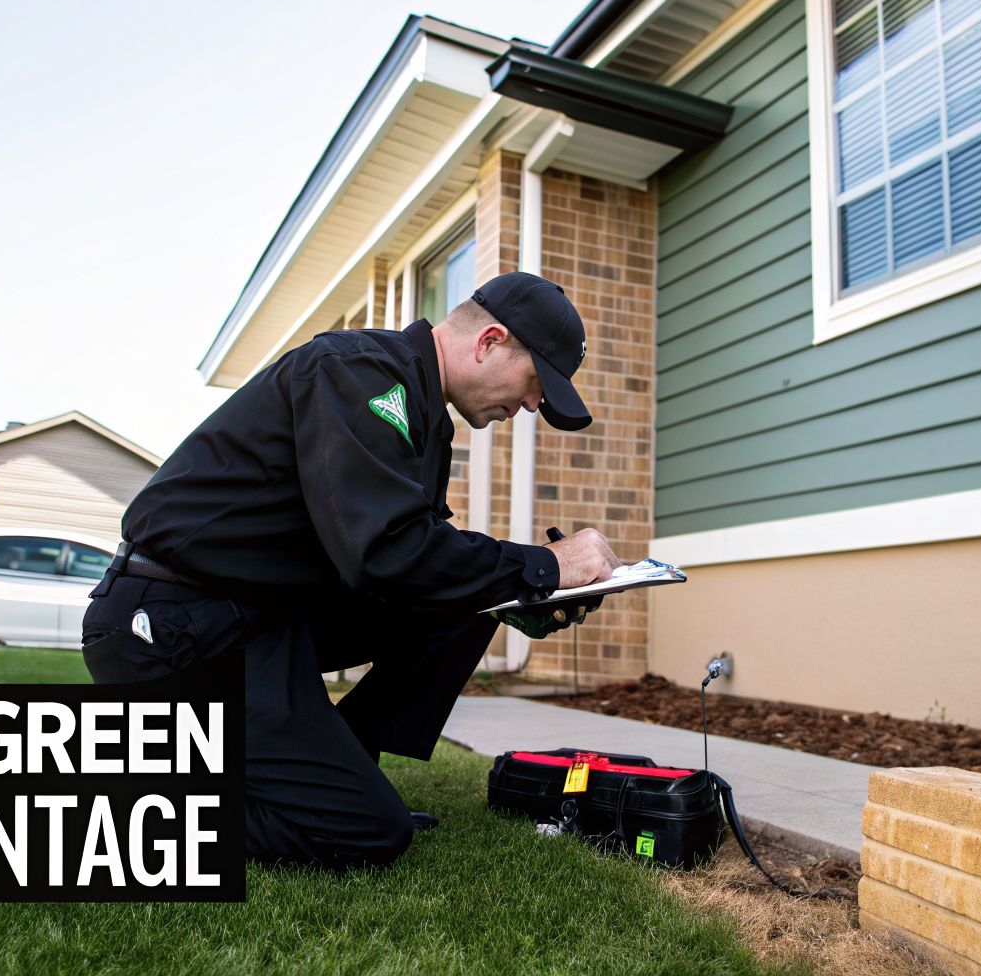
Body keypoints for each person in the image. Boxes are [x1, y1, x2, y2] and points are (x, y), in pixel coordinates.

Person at [81, 271, 622, 871]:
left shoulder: (424, 416)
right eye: (533, 384)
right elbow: (388, 552)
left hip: (261, 622)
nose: (529, 405)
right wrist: (546, 565)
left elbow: (429, 569)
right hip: (172, 625)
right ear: (490, 341)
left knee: (461, 599)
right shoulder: (355, 370)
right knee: (364, 833)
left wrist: (528, 597)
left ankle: (346, 768)